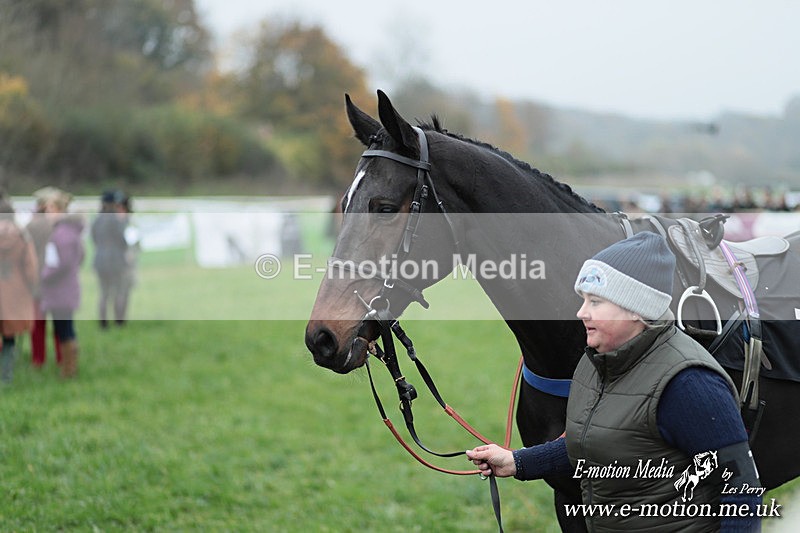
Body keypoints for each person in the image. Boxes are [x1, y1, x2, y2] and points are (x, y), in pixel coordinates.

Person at [467, 232, 761, 532]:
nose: (581, 312)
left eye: (595, 301)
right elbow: (597, 443)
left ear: (635, 308)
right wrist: (517, 462)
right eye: (583, 300)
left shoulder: (689, 384)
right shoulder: (595, 363)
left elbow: (742, 492)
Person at [39, 189, 84, 378]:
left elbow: (61, 263)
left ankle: (68, 369)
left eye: (50, 208)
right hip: (65, 288)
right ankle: (69, 366)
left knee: (64, 330)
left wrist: (44, 275)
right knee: (65, 329)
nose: (46, 213)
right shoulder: (68, 231)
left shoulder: (62, 233)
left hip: (60, 290)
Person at [0, 197, 38, 384]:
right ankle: (5, 376)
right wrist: (32, 286)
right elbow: (31, 267)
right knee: (10, 336)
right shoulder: (22, 236)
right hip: (14, 290)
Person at [26, 187, 64, 368]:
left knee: (40, 324)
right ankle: (59, 358)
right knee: (56, 324)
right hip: (54, 281)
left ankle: (40, 359)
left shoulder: (33, 225)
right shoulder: (60, 225)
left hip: (40, 280)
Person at [91, 190, 128, 328]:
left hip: (100, 260)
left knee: (104, 293)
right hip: (115, 260)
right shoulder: (115, 219)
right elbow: (122, 240)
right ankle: (119, 321)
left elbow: (94, 239)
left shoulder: (97, 220)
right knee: (118, 292)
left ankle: (103, 322)